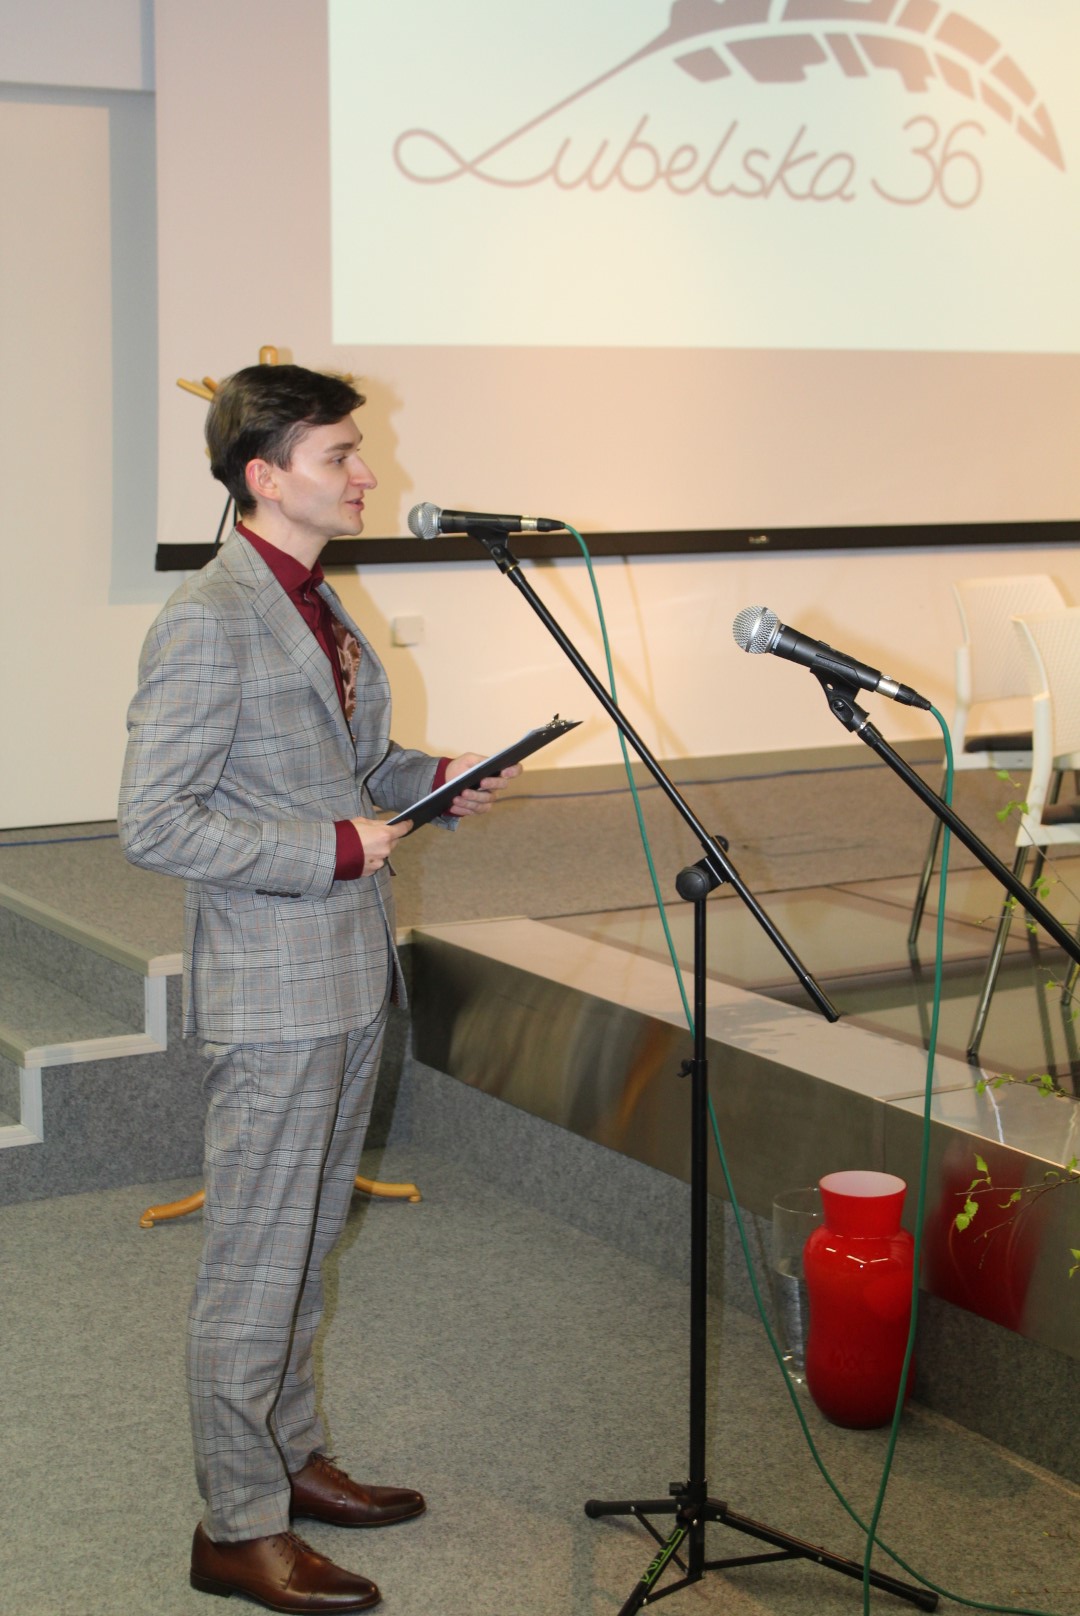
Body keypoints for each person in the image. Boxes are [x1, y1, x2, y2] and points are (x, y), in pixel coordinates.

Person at [119, 363, 518, 1614]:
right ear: (264, 476)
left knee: (302, 1240)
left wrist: (430, 775)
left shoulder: (316, 599)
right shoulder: (210, 617)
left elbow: (346, 764)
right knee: (256, 1257)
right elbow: (153, 820)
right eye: (340, 454)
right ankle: (236, 1527)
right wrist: (334, 847)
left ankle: (287, 1458)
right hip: (276, 986)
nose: (366, 472)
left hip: (345, 973)